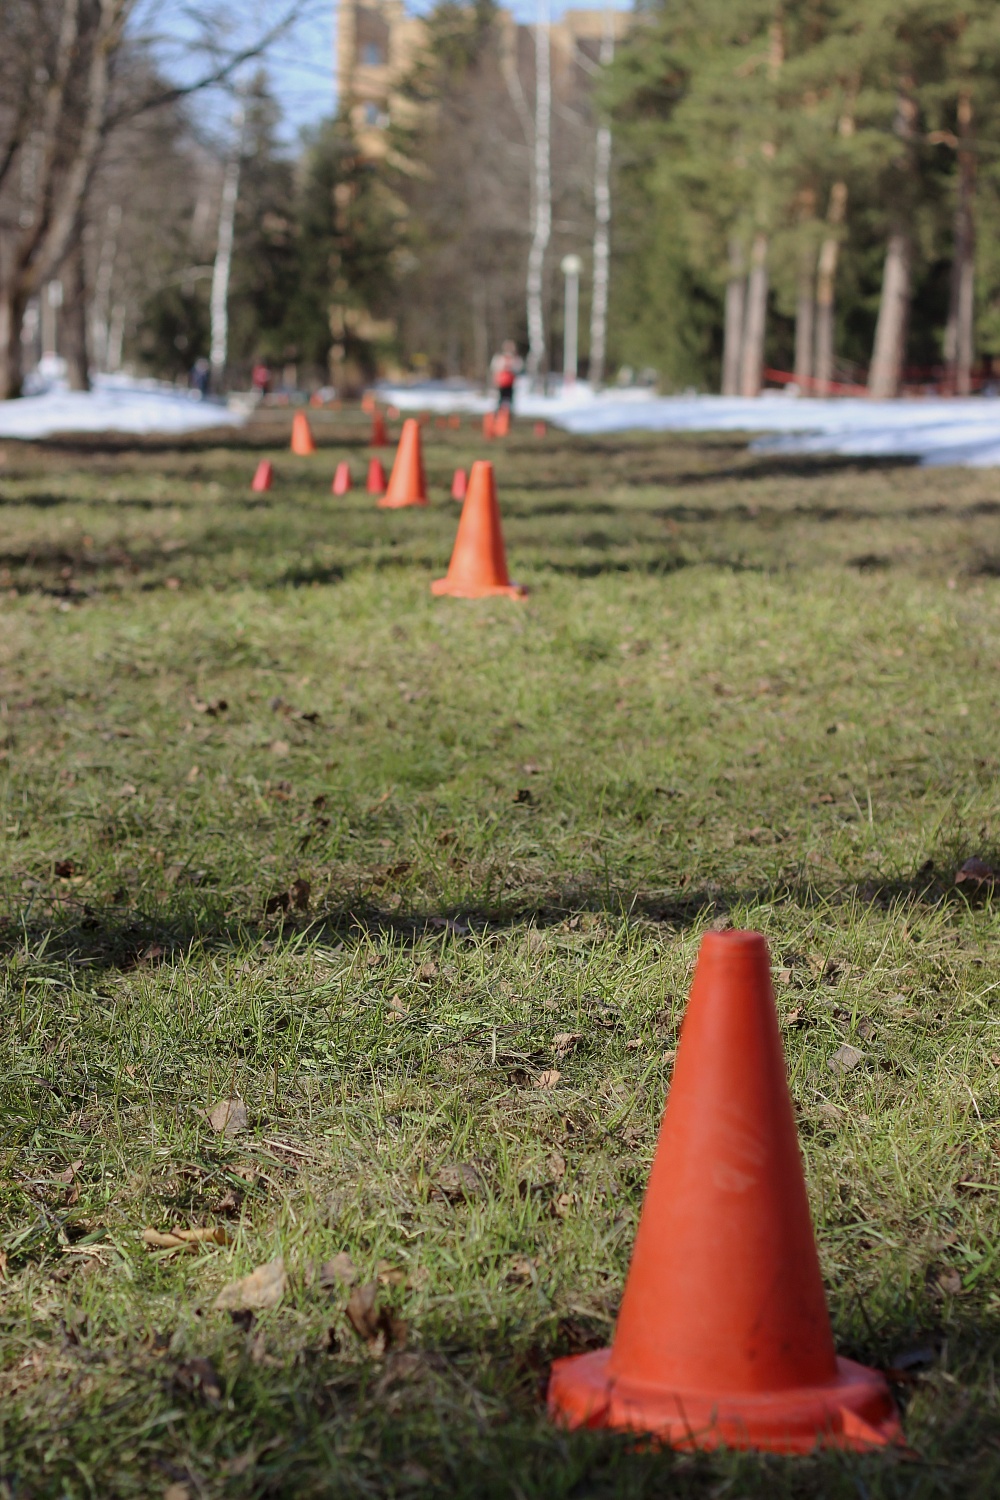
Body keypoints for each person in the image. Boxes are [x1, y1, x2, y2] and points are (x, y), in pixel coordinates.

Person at [490, 340, 523, 413]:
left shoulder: (515, 358)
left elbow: (518, 368)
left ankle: (508, 415)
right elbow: (495, 368)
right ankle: (498, 414)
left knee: (510, 400)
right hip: (501, 383)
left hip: (510, 383)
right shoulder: (500, 358)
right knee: (500, 400)